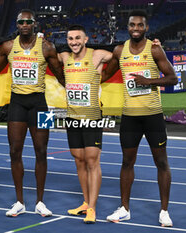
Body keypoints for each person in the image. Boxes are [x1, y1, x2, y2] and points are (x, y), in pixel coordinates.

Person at [102, 10, 177, 227]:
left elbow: (172, 78)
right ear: (127, 27)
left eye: (140, 25)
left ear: (146, 28)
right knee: (127, 162)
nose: (136, 28)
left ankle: (164, 211)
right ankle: (124, 208)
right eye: (132, 25)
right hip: (130, 118)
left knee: (161, 162)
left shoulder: (155, 49)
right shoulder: (119, 50)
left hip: (152, 116)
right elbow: (106, 76)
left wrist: (148, 82)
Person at [0, 9, 64, 217]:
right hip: (17, 104)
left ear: (35, 24)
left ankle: (40, 202)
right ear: (17, 25)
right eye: (21, 22)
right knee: (14, 151)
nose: (25, 25)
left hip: (40, 104)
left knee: (41, 151)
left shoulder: (47, 47)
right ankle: (19, 202)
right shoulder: (8, 47)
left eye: (28, 22)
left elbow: (62, 76)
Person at [57, 24, 112, 224]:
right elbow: (46, 56)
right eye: (70, 39)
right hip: (72, 118)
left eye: (78, 38)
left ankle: (92, 208)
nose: (74, 42)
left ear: (86, 39)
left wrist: (103, 75)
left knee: (92, 160)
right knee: (79, 159)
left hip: (92, 117)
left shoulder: (97, 55)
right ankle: (85, 201)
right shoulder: (64, 58)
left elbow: (121, 56)